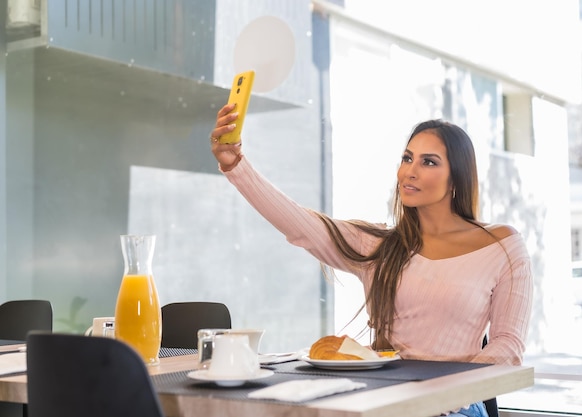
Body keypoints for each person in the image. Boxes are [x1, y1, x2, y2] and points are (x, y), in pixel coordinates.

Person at [210, 103, 533, 417]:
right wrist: (235, 165)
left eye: (429, 162)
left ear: (456, 178)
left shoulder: (502, 245)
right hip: (385, 399)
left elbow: (507, 346)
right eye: (407, 158)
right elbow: (298, 223)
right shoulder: (379, 245)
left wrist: (448, 393)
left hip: (458, 404)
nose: (410, 171)